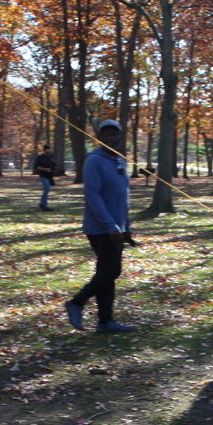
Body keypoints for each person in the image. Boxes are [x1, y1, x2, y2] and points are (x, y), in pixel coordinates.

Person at [64, 120, 134, 334]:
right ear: (99, 137)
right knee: (111, 270)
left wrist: (126, 226)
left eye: (115, 133)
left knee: (107, 272)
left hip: (116, 227)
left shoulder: (119, 160)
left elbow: (123, 196)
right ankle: (76, 302)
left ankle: (105, 321)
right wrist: (110, 225)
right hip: (101, 227)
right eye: (106, 134)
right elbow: (92, 195)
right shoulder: (94, 160)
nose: (111, 137)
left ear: (121, 136)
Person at [34, 144, 57, 211]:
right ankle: (43, 204)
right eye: (47, 149)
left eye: (49, 149)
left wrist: (54, 168)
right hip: (43, 175)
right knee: (47, 188)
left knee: (48, 189)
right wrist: (45, 169)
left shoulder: (51, 157)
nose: (49, 150)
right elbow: (37, 167)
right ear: (44, 150)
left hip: (50, 176)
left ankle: (43, 203)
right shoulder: (40, 157)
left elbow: (54, 165)